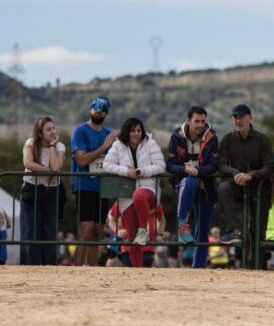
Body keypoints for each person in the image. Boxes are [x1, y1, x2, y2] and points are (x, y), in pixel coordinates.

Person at [102, 117, 166, 267]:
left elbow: (161, 166)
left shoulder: (151, 144)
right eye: (132, 130)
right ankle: (137, 271)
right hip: (125, 194)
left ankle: (143, 231)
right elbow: (107, 165)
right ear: (126, 132)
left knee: (139, 195)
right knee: (131, 234)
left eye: (139, 130)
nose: (136, 133)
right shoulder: (117, 146)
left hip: (148, 190)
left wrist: (141, 171)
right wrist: (126, 172)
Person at [217, 104, 274, 256]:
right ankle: (232, 230)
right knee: (223, 188)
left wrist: (251, 175)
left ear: (250, 117)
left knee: (258, 230)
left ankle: (258, 266)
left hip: (260, 187)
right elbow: (221, 164)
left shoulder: (263, 140)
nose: (238, 121)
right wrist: (235, 173)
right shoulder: (227, 140)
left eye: (241, 117)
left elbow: (270, 167)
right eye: (235, 117)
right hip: (237, 185)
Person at [166, 106, 219, 268]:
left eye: (203, 121)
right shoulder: (176, 136)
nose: (200, 125)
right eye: (196, 121)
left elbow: (213, 165)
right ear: (188, 120)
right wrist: (185, 170)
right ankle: (182, 221)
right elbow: (170, 165)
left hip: (206, 187)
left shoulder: (212, 137)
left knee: (202, 229)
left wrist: (197, 170)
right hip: (185, 184)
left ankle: (198, 267)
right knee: (191, 181)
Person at [70, 96, 118, 266]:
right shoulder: (80, 131)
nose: (99, 110)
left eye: (104, 108)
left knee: (98, 231)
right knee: (86, 230)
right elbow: (81, 159)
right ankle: (78, 268)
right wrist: (104, 147)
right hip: (84, 185)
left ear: (107, 113)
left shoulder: (109, 134)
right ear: (90, 109)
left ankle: (92, 268)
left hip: (103, 186)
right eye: (96, 107)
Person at [20, 116, 65, 265]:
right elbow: (28, 163)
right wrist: (48, 172)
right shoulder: (31, 143)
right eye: (48, 129)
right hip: (31, 190)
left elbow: (56, 167)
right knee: (31, 232)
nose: (52, 131)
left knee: (49, 232)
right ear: (40, 133)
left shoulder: (59, 147)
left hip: (51, 191)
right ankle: (30, 267)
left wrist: (52, 146)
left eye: (53, 128)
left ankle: (49, 267)